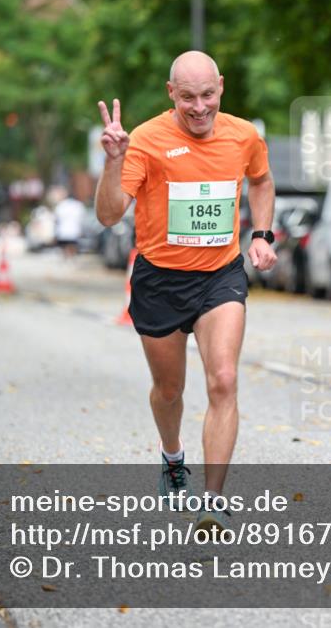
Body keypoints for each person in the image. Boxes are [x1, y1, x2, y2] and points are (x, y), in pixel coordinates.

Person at [94, 51, 277, 534]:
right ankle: (172, 458)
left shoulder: (243, 135)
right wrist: (113, 163)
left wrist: (261, 234)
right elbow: (110, 215)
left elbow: (261, 180)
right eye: (189, 97)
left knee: (223, 379)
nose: (200, 107)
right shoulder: (148, 140)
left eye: (208, 95)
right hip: (160, 279)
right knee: (169, 389)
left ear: (221, 86)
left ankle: (213, 502)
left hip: (221, 276)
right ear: (171, 93)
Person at [54, 191, 86, 259]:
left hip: (63, 230)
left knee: (64, 246)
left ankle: (66, 258)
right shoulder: (78, 205)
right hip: (74, 230)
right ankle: (71, 257)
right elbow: (81, 218)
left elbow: (56, 219)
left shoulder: (61, 205)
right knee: (72, 245)